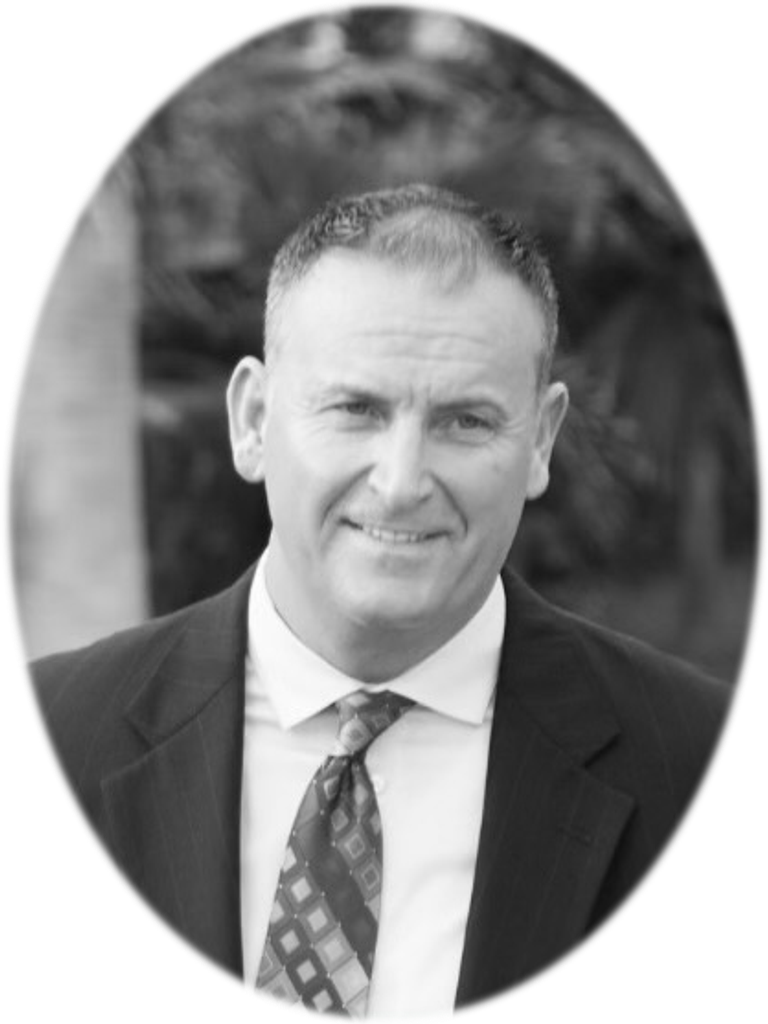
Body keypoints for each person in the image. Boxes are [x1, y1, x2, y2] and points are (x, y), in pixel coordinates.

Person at [23, 184, 739, 1020]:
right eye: (356, 409)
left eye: (465, 422)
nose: (401, 483)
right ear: (252, 420)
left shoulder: (692, 763)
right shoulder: (60, 735)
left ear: (541, 440)